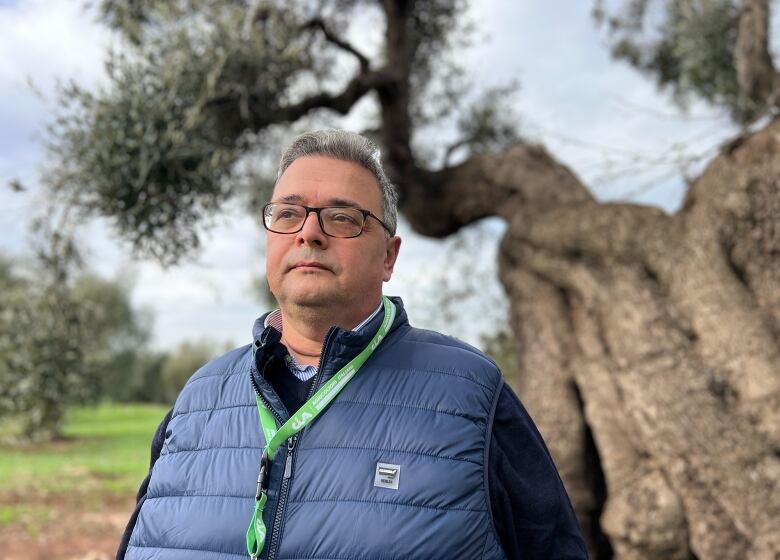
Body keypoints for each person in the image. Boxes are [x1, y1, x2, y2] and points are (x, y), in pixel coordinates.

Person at [117, 130, 588, 560]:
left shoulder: (472, 397)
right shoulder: (197, 401)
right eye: (288, 214)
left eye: (342, 218)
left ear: (388, 255)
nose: (309, 232)